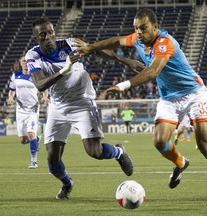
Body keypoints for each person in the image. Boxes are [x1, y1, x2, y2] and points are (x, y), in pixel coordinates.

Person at [76, 8, 207, 202]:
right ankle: (181, 162)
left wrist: (123, 85)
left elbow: (152, 73)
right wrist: (90, 47)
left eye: (143, 28)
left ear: (155, 27)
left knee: (204, 144)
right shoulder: (138, 39)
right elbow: (117, 40)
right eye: (136, 29)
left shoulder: (165, 43)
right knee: (159, 141)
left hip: (194, 94)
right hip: (169, 98)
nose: (139, 33)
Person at [25, 17, 146, 200]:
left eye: (50, 32)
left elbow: (97, 51)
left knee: (94, 152)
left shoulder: (71, 43)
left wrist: (126, 61)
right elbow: (40, 85)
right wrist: (65, 69)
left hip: (82, 103)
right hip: (58, 107)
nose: (48, 37)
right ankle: (67, 184)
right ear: (36, 38)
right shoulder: (33, 56)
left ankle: (119, 152)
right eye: (43, 35)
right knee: (52, 158)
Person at [6, 54, 47, 169]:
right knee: (23, 140)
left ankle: (34, 161)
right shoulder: (15, 76)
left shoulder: (35, 76)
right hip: (20, 110)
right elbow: (12, 90)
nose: (25, 62)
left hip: (33, 109)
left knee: (30, 133)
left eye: (26, 60)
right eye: (23, 61)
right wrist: (10, 97)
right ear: (20, 63)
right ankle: (36, 140)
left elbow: (44, 88)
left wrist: (45, 96)